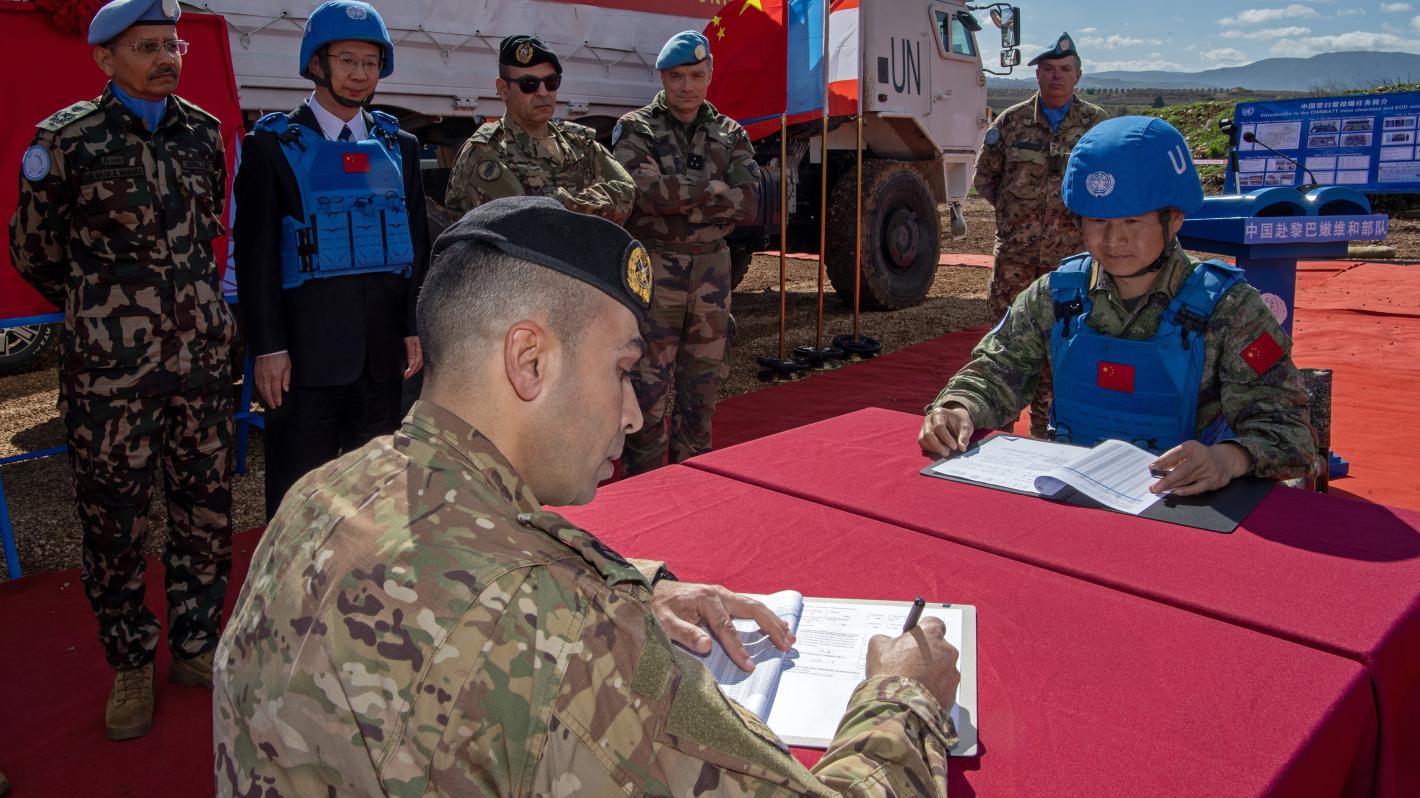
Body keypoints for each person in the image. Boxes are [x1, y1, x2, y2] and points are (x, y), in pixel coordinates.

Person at [213, 196, 961, 796]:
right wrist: (903, 696)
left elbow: (447, 570)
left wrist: (638, 589)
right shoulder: (569, 639)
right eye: (621, 371)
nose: (634, 415)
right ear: (529, 359)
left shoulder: (320, 496)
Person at [8, 0, 234, 740]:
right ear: (105, 58)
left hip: (200, 366)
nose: (168, 57)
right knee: (116, 525)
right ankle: (132, 661)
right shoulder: (66, 142)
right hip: (111, 377)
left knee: (205, 513)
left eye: (174, 44)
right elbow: (34, 252)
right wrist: (103, 310)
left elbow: (207, 239)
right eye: (147, 46)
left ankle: (197, 647)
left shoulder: (203, 133)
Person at [922, 116, 1317, 495]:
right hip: (1070, 491)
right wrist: (958, 409)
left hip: (1186, 503)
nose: (1113, 242)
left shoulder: (1229, 308)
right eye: (1097, 222)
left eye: (1132, 222)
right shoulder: (1056, 295)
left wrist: (1228, 458)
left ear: (1174, 218)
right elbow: (996, 371)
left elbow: (1289, 432)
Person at [233, 0, 429, 520]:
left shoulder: (399, 145)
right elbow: (255, 259)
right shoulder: (271, 146)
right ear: (317, 64)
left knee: (378, 489)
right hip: (304, 360)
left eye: (370, 62)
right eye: (347, 59)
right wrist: (268, 348)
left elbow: (416, 240)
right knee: (301, 494)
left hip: (381, 357)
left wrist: (412, 325)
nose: (360, 73)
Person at [613, 30, 760, 474]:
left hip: (713, 272)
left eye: (696, 75)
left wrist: (682, 202)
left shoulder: (730, 132)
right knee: (648, 393)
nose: (687, 86)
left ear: (710, 74)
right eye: (677, 76)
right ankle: (644, 492)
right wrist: (712, 191)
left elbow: (750, 201)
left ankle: (693, 490)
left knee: (702, 392)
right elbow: (644, 193)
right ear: (662, 77)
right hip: (657, 268)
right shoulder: (637, 128)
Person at [973, 32, 1109, 437]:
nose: (1056, 77)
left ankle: (1051, 430)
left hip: (1071, 260)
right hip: (1015, 259)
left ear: (1078, 76)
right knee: (1006, 340)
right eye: (1048, 69)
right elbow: (986, 179)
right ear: (1036, 75)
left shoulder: (1097, 126)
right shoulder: (1011, 123)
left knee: (1064, 343)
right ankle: (997, 426)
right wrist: (1020, 219)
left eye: (1064, 70)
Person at [444, 35, 635, 223]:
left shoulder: (580, 143)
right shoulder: (485, 152)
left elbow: (627, 191)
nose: (543, 92)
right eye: (529, 84)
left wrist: (561, 203)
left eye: (551, 83)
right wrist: (597, 207)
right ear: (503, 89)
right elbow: (528, 221)